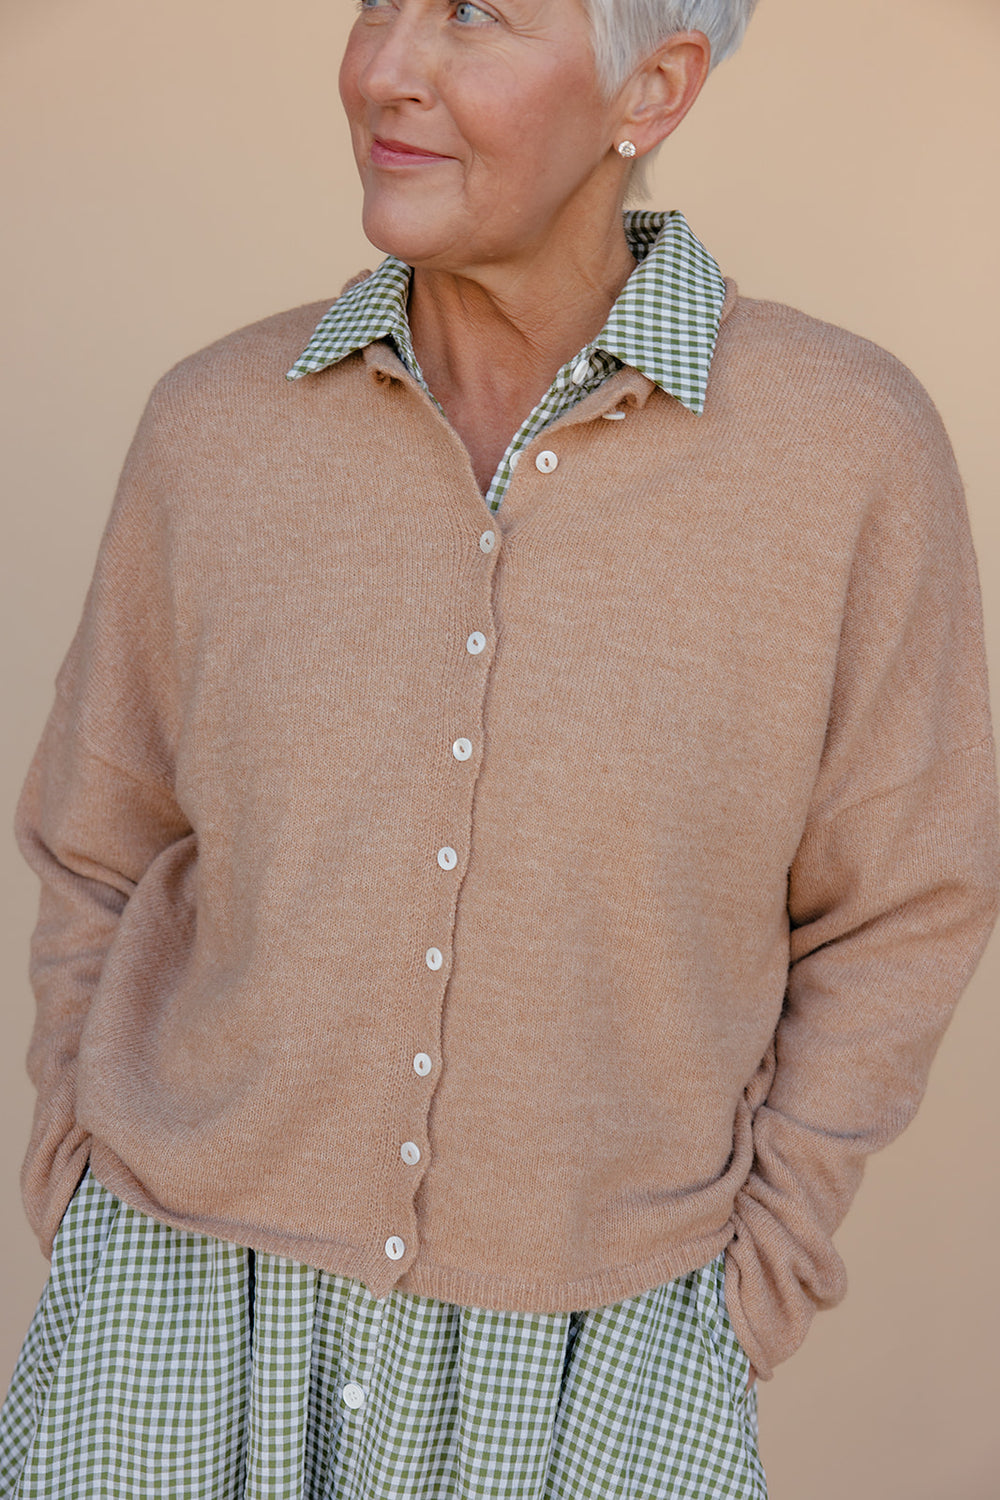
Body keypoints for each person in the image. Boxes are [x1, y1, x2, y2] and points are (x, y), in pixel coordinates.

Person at [2, 0, 998, 1494]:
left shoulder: (845, 451)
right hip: (173, 1300)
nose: (384, 66)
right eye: (376, 5)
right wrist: (82, 1173)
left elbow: (908, 900)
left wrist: (750, 1277)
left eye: (473, 15)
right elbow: (99, 834)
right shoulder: (214, 428)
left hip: (603, 1350)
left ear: (650, 90)